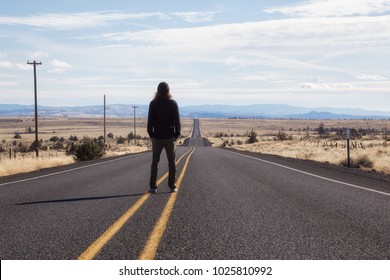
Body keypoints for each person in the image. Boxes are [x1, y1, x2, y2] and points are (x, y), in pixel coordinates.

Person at [147, 82, 181, 193]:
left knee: (155, 163)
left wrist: (152, 135)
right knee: (172, 162)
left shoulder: (153, 104)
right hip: (170, 138)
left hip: (157, 138)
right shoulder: (173, 103)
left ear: (157, 91)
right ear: (168, 91)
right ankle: (172, 186)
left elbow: (150, 122)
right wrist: (176, 135)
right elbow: (177, 121)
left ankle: (153, 187)